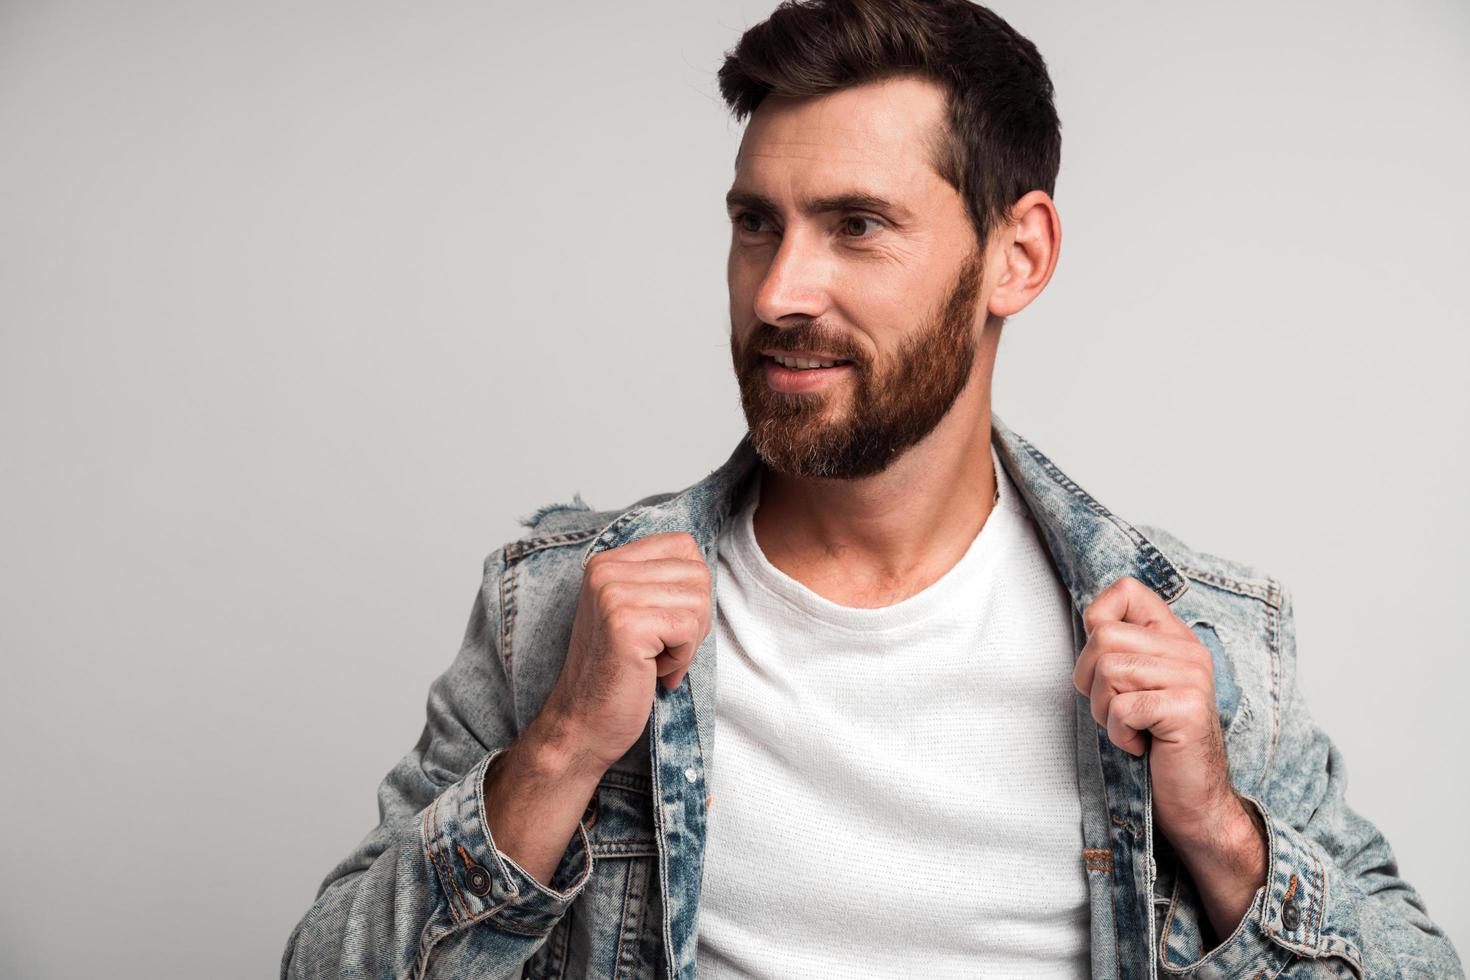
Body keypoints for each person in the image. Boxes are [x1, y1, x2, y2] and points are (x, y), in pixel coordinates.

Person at [280, 1, 1464, 977]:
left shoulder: (1202, 640)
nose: (782, 288)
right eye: (757, 224)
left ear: (1020, 255)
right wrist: (560, 752)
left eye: (856, 225)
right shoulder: (557, 610)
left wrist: (1213, 827)